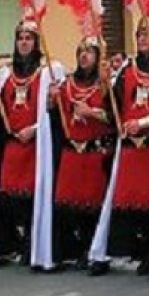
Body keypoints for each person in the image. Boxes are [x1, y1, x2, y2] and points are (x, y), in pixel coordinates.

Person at [0, 0, 64, 269]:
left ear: (37, 42)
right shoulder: (3, 74)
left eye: (29, 38)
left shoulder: (50, 71)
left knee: (33, 196)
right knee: (10, 196)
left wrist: (42, 119)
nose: (24, 42)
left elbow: (57, 112)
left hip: (38, 144)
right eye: (20, 38)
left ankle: (34, 246)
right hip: (13, 144)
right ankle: (13, 241)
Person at [88, 11, 149, 276]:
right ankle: (130, 250)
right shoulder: (127, 69)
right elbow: (115, 108)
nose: (141, 39)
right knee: (127, 204)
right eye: (139, 34)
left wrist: (143, 123)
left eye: (146, 34)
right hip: (130, 148)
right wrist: (103, 84)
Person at [48, 33, 115, 270]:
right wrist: (51, 103)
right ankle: (80, 247)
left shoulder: (106, 85)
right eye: (80, 52)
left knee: (94, 207)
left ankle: (98, 253)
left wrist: (92, 112)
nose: (84, 56)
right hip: (72, 152)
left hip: (95, 152)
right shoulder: (67, 85)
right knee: (69, 206)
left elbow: (114, 118)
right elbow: (57, 118)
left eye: (89, 52)